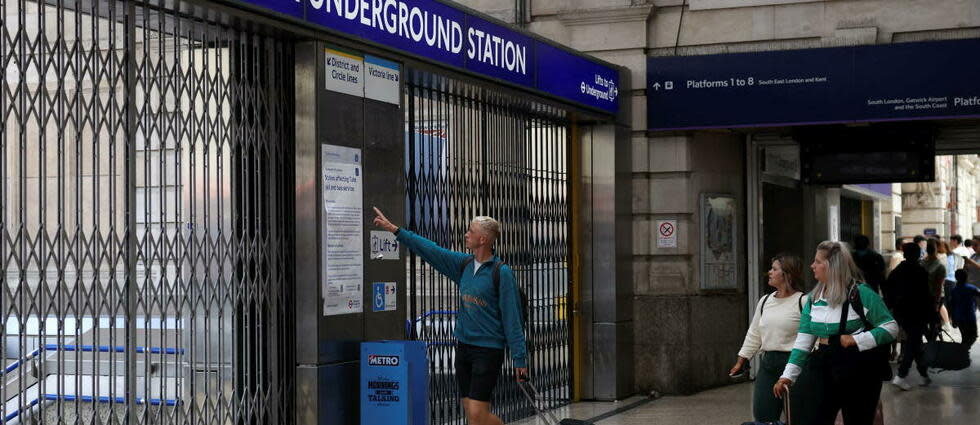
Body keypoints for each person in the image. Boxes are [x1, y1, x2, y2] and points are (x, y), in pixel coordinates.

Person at [372, 207, 526, 425]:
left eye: (470, 231)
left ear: (483, 239)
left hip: (488, 350)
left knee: (476, 413)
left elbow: (513, 319)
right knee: (471, 413)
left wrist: (520, 357)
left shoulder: (501, 273)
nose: (466, 234)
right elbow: (431, 251)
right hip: (464, 348)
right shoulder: (463, 265)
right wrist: (395, 231)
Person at [775, 241, 897, 425]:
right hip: (822, 364)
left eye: (817, 261)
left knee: (857, 419)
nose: (812, 266)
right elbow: (803, 341)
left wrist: (857, 340)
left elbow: (890, 327)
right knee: (816, 418)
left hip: (857, 368)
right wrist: (788, 375)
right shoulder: (813, 299)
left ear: (832, 266)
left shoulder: (861, 293)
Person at [731, 254, 813, 424]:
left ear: (787, 275)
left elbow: (814, 337)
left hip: (795, 364)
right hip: (768, 364)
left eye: (774, 269)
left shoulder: (803, 301)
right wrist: (742, 360)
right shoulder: (765, 301)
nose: (769, 272)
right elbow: (754, 333)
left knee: (797, 416)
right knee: (763, 415)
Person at [883, 243, 937, 390]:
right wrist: (933, 315)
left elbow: (889, 293)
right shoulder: (920, 272)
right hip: (917, 313)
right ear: (918, 254)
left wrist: (891, 308)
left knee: (916, 342)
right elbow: (926, 296)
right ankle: (901, 375)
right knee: (913, 342)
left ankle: (924, 375)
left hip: (901, 313)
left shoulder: (896, 272)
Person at [950, 269, 980, 351]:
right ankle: (963, 350)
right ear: (967, 277)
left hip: (959, 317)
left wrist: (953, 319)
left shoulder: (954, 290)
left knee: (964, 336)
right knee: (973, 335)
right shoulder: (971, 288)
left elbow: (952, 306)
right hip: (970, 317)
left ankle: (963, 350)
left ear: (956, 278)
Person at [920, 239, 947, 330]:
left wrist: (936, 302)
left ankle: (933, 340)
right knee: (928, 322)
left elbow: (939, 286)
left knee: (932, 322)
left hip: (933, 296)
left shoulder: (938, 264)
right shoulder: (923, 263)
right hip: (927, 296)